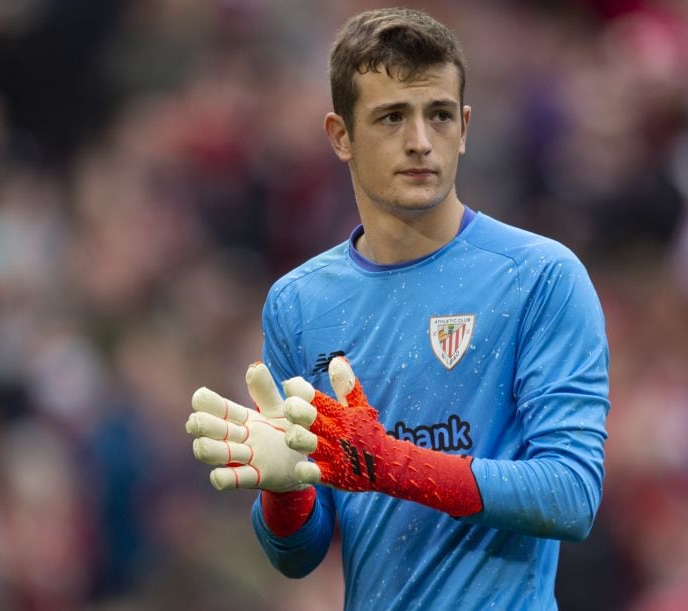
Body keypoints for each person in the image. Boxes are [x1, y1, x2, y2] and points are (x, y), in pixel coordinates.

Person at [185, 8, 610, 610]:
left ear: (464, 127)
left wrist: (387, 462)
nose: (419, 141)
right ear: (341, 136)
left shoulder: (541, 277)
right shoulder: (300, 304)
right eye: (391, 117)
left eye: (438, 115)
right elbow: (298, 555)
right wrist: (285, 491)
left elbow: (571, 496)